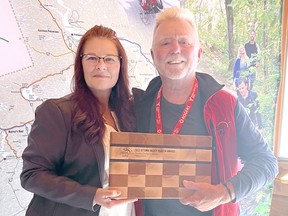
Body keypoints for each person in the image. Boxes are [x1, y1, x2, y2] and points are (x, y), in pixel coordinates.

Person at [132, 7, 278, 216]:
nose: (175, 49)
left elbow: (266, 163)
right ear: (154, 55)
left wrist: (223, 192)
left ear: (198, 53)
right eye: (165, 42)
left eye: (184, 42)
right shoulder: (140, 105)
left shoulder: (225, 105)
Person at [20, 25, 138, 216]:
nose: (101, 65)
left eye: (109, 59)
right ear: (80, 64)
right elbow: (32, 175)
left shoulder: (129, 114)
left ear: (120, 65)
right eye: (92, 58)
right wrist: (92, 196)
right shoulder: (57, 112)